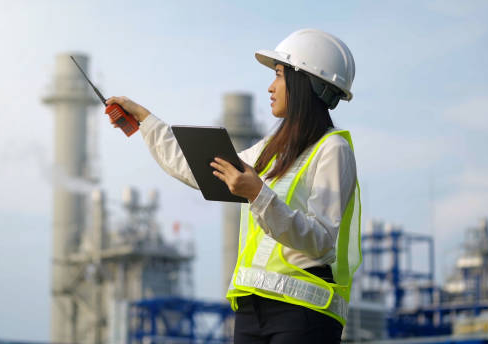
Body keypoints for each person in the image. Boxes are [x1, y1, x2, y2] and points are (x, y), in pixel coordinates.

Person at [106, 28, 361, 344]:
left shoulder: (332, 150)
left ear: (304, 82)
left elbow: (322, 240)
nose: (270, 87)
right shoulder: (268, 151)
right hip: (251, 310)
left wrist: (257, 193)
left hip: (304, 314)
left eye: (279, 75)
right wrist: (145, 120)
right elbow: (197, 170)